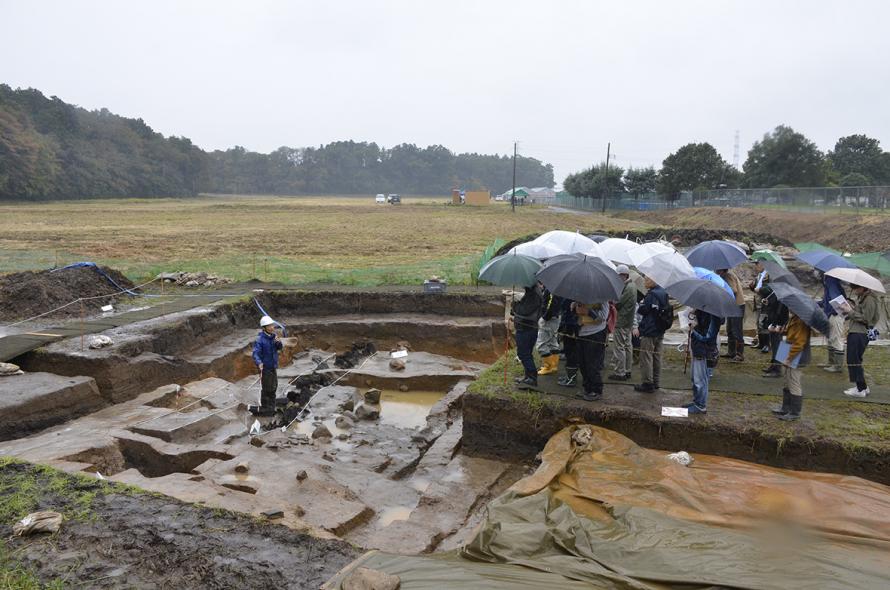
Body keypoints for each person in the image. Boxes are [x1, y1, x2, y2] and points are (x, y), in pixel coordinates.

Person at [771, 311, 811, 421]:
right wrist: (782, 331)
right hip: (789, 351)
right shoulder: (794, 318)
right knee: (787, 381)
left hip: (796, 355)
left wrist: (789, 358)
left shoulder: (802, 321)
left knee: (794, 382)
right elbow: (792, 334)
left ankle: (794, 412)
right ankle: (786, 407)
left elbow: (799, 343)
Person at [843, 284, 881, 397]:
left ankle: (860, 390)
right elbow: (862, 313)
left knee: (853, 360)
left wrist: (850, 311)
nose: (854, 291)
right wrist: (851, 308)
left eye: (855, 288)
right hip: (856, 332)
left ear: (862, 287)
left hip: (859, 333)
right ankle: (862, 387)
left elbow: (866, 318)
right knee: (855, 360)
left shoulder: (869, 299)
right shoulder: (864, 298)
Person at [634, 276, 669, 393]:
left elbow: (644, 311)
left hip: (650, 330)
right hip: (660, 329)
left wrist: (641, 305)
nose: (645, 282)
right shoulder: (664, 292)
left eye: (647, 279)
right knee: (657, 356)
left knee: (646, 356)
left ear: (654, 280)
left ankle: (647, 383)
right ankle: (656, 382)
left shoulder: (651, 295)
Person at [685, 308, 723, 414]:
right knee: (695, 378)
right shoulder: (705, 311)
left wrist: (693, 330)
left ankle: (700, 405)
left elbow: (707, 336)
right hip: (699, 348)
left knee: (700, 380)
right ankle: (697, 401)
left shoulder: (713, 314)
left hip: (704, 350)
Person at [573, 300, 609, 401]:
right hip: (582, 332)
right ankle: (587, 388)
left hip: (595, 333)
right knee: (583, 363)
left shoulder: (603, 298)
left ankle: (596, 390)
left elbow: (603, 317)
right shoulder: (581, 296)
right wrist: (574, 307)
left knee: (592, 364)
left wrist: (588, 312)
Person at [511, 284, 543, 389]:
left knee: (523, 354)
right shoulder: (531, 292)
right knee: (526, 353)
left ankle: (532, 377)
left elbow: (524, 311)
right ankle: (528, 376)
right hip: (527, 327)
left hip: (526, 328)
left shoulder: (534, 294)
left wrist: (515, 305)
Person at [608, 265, 637, 381]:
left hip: (622, 321)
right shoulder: (632, 286)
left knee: (619, 347)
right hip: (628, 321)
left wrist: (611, 299)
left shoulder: (628, 288)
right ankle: (627, 370)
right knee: (627, 346)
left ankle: (620, 372)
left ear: (623, 275)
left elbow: (618, 303)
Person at [252, 315, 283, 414]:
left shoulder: (274, 337)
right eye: (269, 326)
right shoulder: (260, 340)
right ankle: (265, 407)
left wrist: (278, 343)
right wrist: (259, 362)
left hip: (273, 366)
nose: (272, 327)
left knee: (274, 386)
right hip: (265, 368)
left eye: (272, 325)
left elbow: (279, 348)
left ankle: (271, 406)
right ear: (264, 327)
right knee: (267, 388)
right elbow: (255, 353)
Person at [819, 271, 848, 373]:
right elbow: (827, 300)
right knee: (831, 339)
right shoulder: (829, 281)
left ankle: (838, 366)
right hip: (832, 314)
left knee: (836, 339)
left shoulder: (831, 280)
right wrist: (818, 303)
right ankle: (831, 362)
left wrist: (834, 310)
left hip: (835, 315)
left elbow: (836, 299)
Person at [757, 285, 788, 378]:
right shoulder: (777, 292)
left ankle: (777, 369)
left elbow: (780, 311)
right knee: (775, 345)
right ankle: (774, 365)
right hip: (775, 321)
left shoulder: (782, 294)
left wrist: (775, 325)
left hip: (778, 323)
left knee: (777, 345)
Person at [717, 268, 745, 362]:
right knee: (730, 330)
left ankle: (739, 354)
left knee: (736, 330)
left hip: (737, 306)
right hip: (732, 306)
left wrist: (721, 291)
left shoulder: (728, 276)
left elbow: (734, 290)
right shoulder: (724, 276)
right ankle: (731, 352)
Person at [536, 286, 562, 376]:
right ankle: (554, 366)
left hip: (550, 319)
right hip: (556, 317)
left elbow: (552, 304)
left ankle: (548, 366)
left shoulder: (552, 288)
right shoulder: (559, 287)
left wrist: (544, 317)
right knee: (552, 342)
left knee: (541, 344)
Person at [557, 298, 580, 387]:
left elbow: (564, 306)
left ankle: (571, 378)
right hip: (569, 323)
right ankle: (569, 376)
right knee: (569, 352)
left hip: (572, 325)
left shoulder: (572, 296)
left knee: (571, 353)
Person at [749, 261, 770, 353]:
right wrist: (752, 286)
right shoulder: (759, 275)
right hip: (757, 303)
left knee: (764, 323)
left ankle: (766, 345)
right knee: (758, 323)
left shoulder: (768, 275)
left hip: (764, 303)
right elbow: (755, 288)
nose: (756, 266)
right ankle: (761, 343)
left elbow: (769, 289)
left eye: (757, 264)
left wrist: (760, 289)